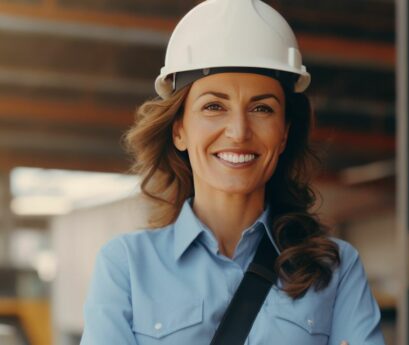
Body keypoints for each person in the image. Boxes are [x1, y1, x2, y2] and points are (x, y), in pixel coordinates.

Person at [79, 0, 385, 344]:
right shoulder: (128, 266)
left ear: (284, 133)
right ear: (179, 129)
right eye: (214, 106)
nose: (239, 131)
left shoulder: (337, 269)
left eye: (262, 108)